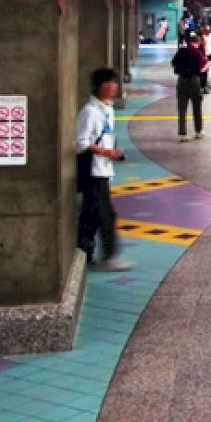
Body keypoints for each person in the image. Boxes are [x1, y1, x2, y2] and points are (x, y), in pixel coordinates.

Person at [76, 68, 133, 271]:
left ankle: (83, 252)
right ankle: (110, 256)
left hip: (102, 169)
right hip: (93, 171)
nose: (112, 87)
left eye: (113, 82)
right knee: (106, 215)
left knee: (90, 214)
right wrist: (107, 152)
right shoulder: (90, 112)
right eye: (106, 83)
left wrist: (113, 153)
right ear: (97, 86)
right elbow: (80, 143)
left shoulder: (106, 109)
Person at [171, 31, 206, 142]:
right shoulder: (198, 53)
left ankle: (183, 134)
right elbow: (202, 67)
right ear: (196, 41)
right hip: (194, 81)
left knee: (182, 108)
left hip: (182, 81)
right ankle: (198, 131)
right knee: (197, 107)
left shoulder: (181, 51)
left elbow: (173, 63)